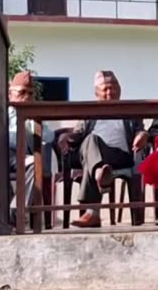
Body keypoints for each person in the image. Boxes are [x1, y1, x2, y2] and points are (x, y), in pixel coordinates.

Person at [64, 71, 151, 228]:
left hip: (120, 156)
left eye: (113, 88)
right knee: (91, 139)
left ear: (120, 90)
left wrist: (143, 135)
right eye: (105, 90)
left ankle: (93, 211)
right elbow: (77, 134)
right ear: (97, 93)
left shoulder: (130, 111)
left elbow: (141, 129)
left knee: (93, 157)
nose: (110, 93)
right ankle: (100, 174)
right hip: (94, 156)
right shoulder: (89, 113)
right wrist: (66, 137)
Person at [7, 71, 53, 226]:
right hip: (5, 157)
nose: (26, 97)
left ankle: (17, 209)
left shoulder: (36, 115)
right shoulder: (2, 114)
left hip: (27, 159)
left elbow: (49, 137)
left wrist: (33, 122)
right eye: (21, 92)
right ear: (10, 94)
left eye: (30, 93)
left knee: (37, 163)